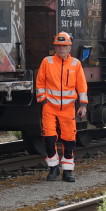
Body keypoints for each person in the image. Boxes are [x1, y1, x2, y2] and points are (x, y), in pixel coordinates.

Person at [35, 32, 88, 182]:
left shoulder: (76, 64)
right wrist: (44, 102)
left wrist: (83, 105)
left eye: (64, 46)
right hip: (49, 108)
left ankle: (67, 171)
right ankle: (53, 168)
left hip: (68, 109)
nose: (61, 49)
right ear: (55, 47)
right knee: (49, 138)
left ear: (70, 47)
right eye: (58, 46)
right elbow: (40, 84)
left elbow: (82, 87)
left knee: (69, 140)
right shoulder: (47, 62)